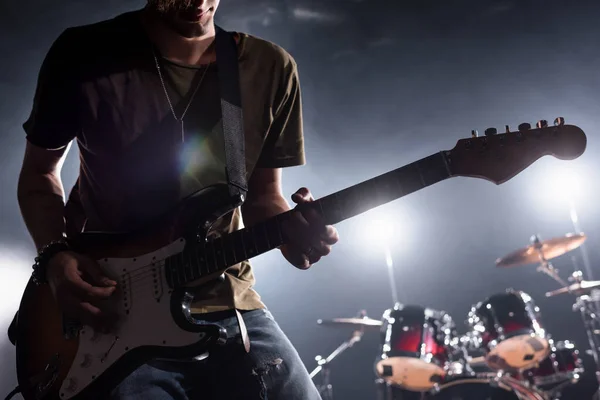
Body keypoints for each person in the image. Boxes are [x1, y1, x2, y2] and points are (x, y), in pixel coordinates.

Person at [16, 0, 339, 399]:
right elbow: (39, 175)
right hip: (111, 309)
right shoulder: (84, 53)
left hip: (226, 297)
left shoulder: (269, 66)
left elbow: (264, 199)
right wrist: (54, 258)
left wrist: (296, 233)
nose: (197, 2)